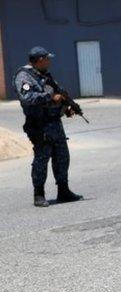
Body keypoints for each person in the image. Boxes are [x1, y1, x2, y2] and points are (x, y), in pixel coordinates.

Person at [13, 46, 83, 207]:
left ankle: (63, 190)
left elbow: (58, 94)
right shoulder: (24, 76)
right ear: (40, 60)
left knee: (62, 157)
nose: (49, 61)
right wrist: (51, 97)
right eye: (47, 58)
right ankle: (39, 194)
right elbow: (27, 98)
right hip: (39, 125)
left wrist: (65, 108)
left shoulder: (44, 75)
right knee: (41, 159)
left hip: (54, 123)